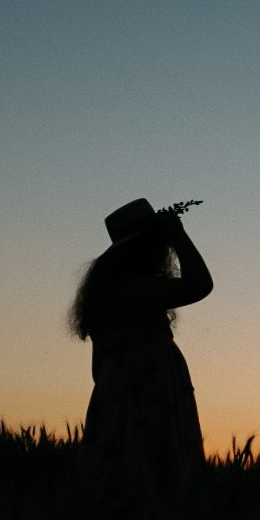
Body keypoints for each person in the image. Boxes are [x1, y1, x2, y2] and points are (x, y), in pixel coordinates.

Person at [70, 198, 213, 501]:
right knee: (151, 484)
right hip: (147, 404)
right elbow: (200, 284)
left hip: (126, 402)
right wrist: (178, 233)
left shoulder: (110, 291)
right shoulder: (133, 291)